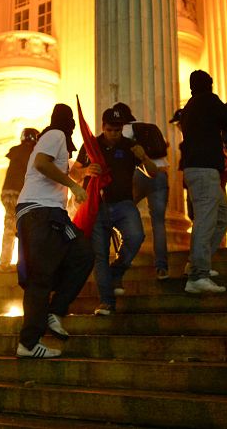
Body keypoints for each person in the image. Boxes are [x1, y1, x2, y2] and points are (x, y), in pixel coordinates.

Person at [15, 104, 93, 358]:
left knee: (78, 254)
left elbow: (65, 170)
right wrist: (74, 185)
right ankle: (30, 341)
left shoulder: (54, 140)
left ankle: (51, 314)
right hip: (42, 213)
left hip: (42, 214)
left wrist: (82, 174)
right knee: (49, 271)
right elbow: (41, 164)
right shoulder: (55, 135)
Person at [73, 107, 157, 315]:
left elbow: (153, 173)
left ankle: (117, 269)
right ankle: (106, 302)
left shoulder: (130, 146)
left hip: (123, 203)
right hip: (97, 205)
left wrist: (144, 157)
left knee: (137, 236)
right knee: (99, 254)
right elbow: (73, 173)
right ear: (103, 127)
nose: (114, 134)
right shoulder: (91, 145)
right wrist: (85, 171)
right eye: (110, 130)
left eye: (118, 130)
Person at [179, 70, 227, 294]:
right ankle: (197, 275)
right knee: (205, 220)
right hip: (204, 170)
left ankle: (199, 263)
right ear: (210, 85)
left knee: (223, 216)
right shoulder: (207, 100)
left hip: (197, 170)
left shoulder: (190, 106)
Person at [110, 102, 171, 280]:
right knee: (158, 223)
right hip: (159, 175)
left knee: (118, 214)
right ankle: (161, 268)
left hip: (137, 175)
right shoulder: (148, 127)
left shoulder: (124, 131)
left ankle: (120, 258)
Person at [0, 128, 39, 273]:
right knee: (25, 227)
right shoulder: (32, 153)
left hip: (6, 193)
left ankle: (4, 263)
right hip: (21, 194)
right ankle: (25, 262)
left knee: (9, 226)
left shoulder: (15, 151)